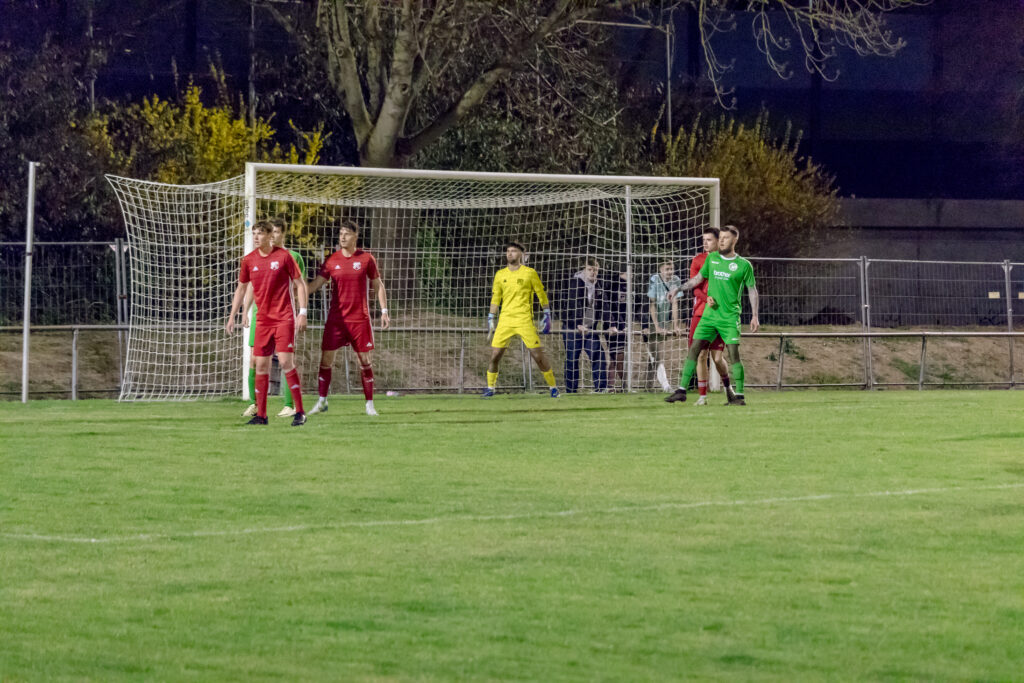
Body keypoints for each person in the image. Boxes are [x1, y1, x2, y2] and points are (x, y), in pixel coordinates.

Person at [225, 220, 308, 426]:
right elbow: (242, 289)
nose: (256, 237)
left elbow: (300, 284)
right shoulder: (249, 260)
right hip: (262, 320)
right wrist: (233, 315)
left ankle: (299, 411)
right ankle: (261, 415)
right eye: (254, 233)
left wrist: (302, 312)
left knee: (286, 362)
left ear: (270, 236)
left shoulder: (284, 256)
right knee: (261, 365)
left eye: (260, 233)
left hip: (283, 318)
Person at [666, 225, 759, 406]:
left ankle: (739, 396)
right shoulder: (712, 259)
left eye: (725, 238)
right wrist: (678, 288)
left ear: (734, 240)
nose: (722, 241)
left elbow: (752, 290)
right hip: (708, 316)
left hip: (729, 317)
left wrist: (755, 315)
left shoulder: (744, 265)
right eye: (720, 237)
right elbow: (697, 279)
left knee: (733, 354)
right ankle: (682, 390)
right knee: (694, 349)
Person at [306, 219, 390, 417]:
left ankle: (369, 405)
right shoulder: (332, 260)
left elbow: (378, 284)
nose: (342, 237)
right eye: (341, 233)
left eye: (346, 233)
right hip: (336, 320)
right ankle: (322, 401)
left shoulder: (366, 259)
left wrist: (384, 310)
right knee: (326, 360)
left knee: (364, 361)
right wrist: (298, 293)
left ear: (355, 236)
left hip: (359, 319)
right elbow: (316, 284)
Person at [484, 241, 559, 397]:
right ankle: (490, 388)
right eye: (508, 251)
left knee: (538, 356)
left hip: (524, 320)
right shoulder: (500, 274)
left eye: (513, 251)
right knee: (495, 355)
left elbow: (541, 293)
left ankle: (553, 387)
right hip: (505, 321)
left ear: (521, 254)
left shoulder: (529, 273)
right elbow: (496, 297)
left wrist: (547, 313)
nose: (509, 253)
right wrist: (491, 317)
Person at [687, 227, 733, 406]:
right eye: (703, 239)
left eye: (709, 240)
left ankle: (728, 388)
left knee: (717, 358)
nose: (705, 243)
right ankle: (702, 396)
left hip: (719, 315)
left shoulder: (727, 261)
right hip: (701, 314)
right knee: (700, 355)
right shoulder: (698, 260)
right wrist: (707, 298)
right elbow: (695, 288)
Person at [561, 257, 608, 393]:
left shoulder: (599, 285)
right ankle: (571, 390)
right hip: (573, 328)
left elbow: (605, 306)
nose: (593, 272)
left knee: (598, 354)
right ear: (584, 270)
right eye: (590, 269)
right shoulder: (576, 283)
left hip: (589, 328)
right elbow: (573, 304)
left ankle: (601, 388)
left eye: (595, 270)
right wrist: (578, 324)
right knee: (572, 359)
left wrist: (611, 324)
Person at [646, 260, 684, 392]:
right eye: (667, 269)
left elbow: (675, 303)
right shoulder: (654, 279)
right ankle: (666, 386)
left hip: (664, 322)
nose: (670, 272)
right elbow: (651, 304)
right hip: (650, 321)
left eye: (672, 269)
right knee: (656, 355)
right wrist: (656, 326)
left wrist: (675, 325)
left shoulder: (676, 280)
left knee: (654, 356)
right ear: (660, 269)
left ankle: (648, 386)